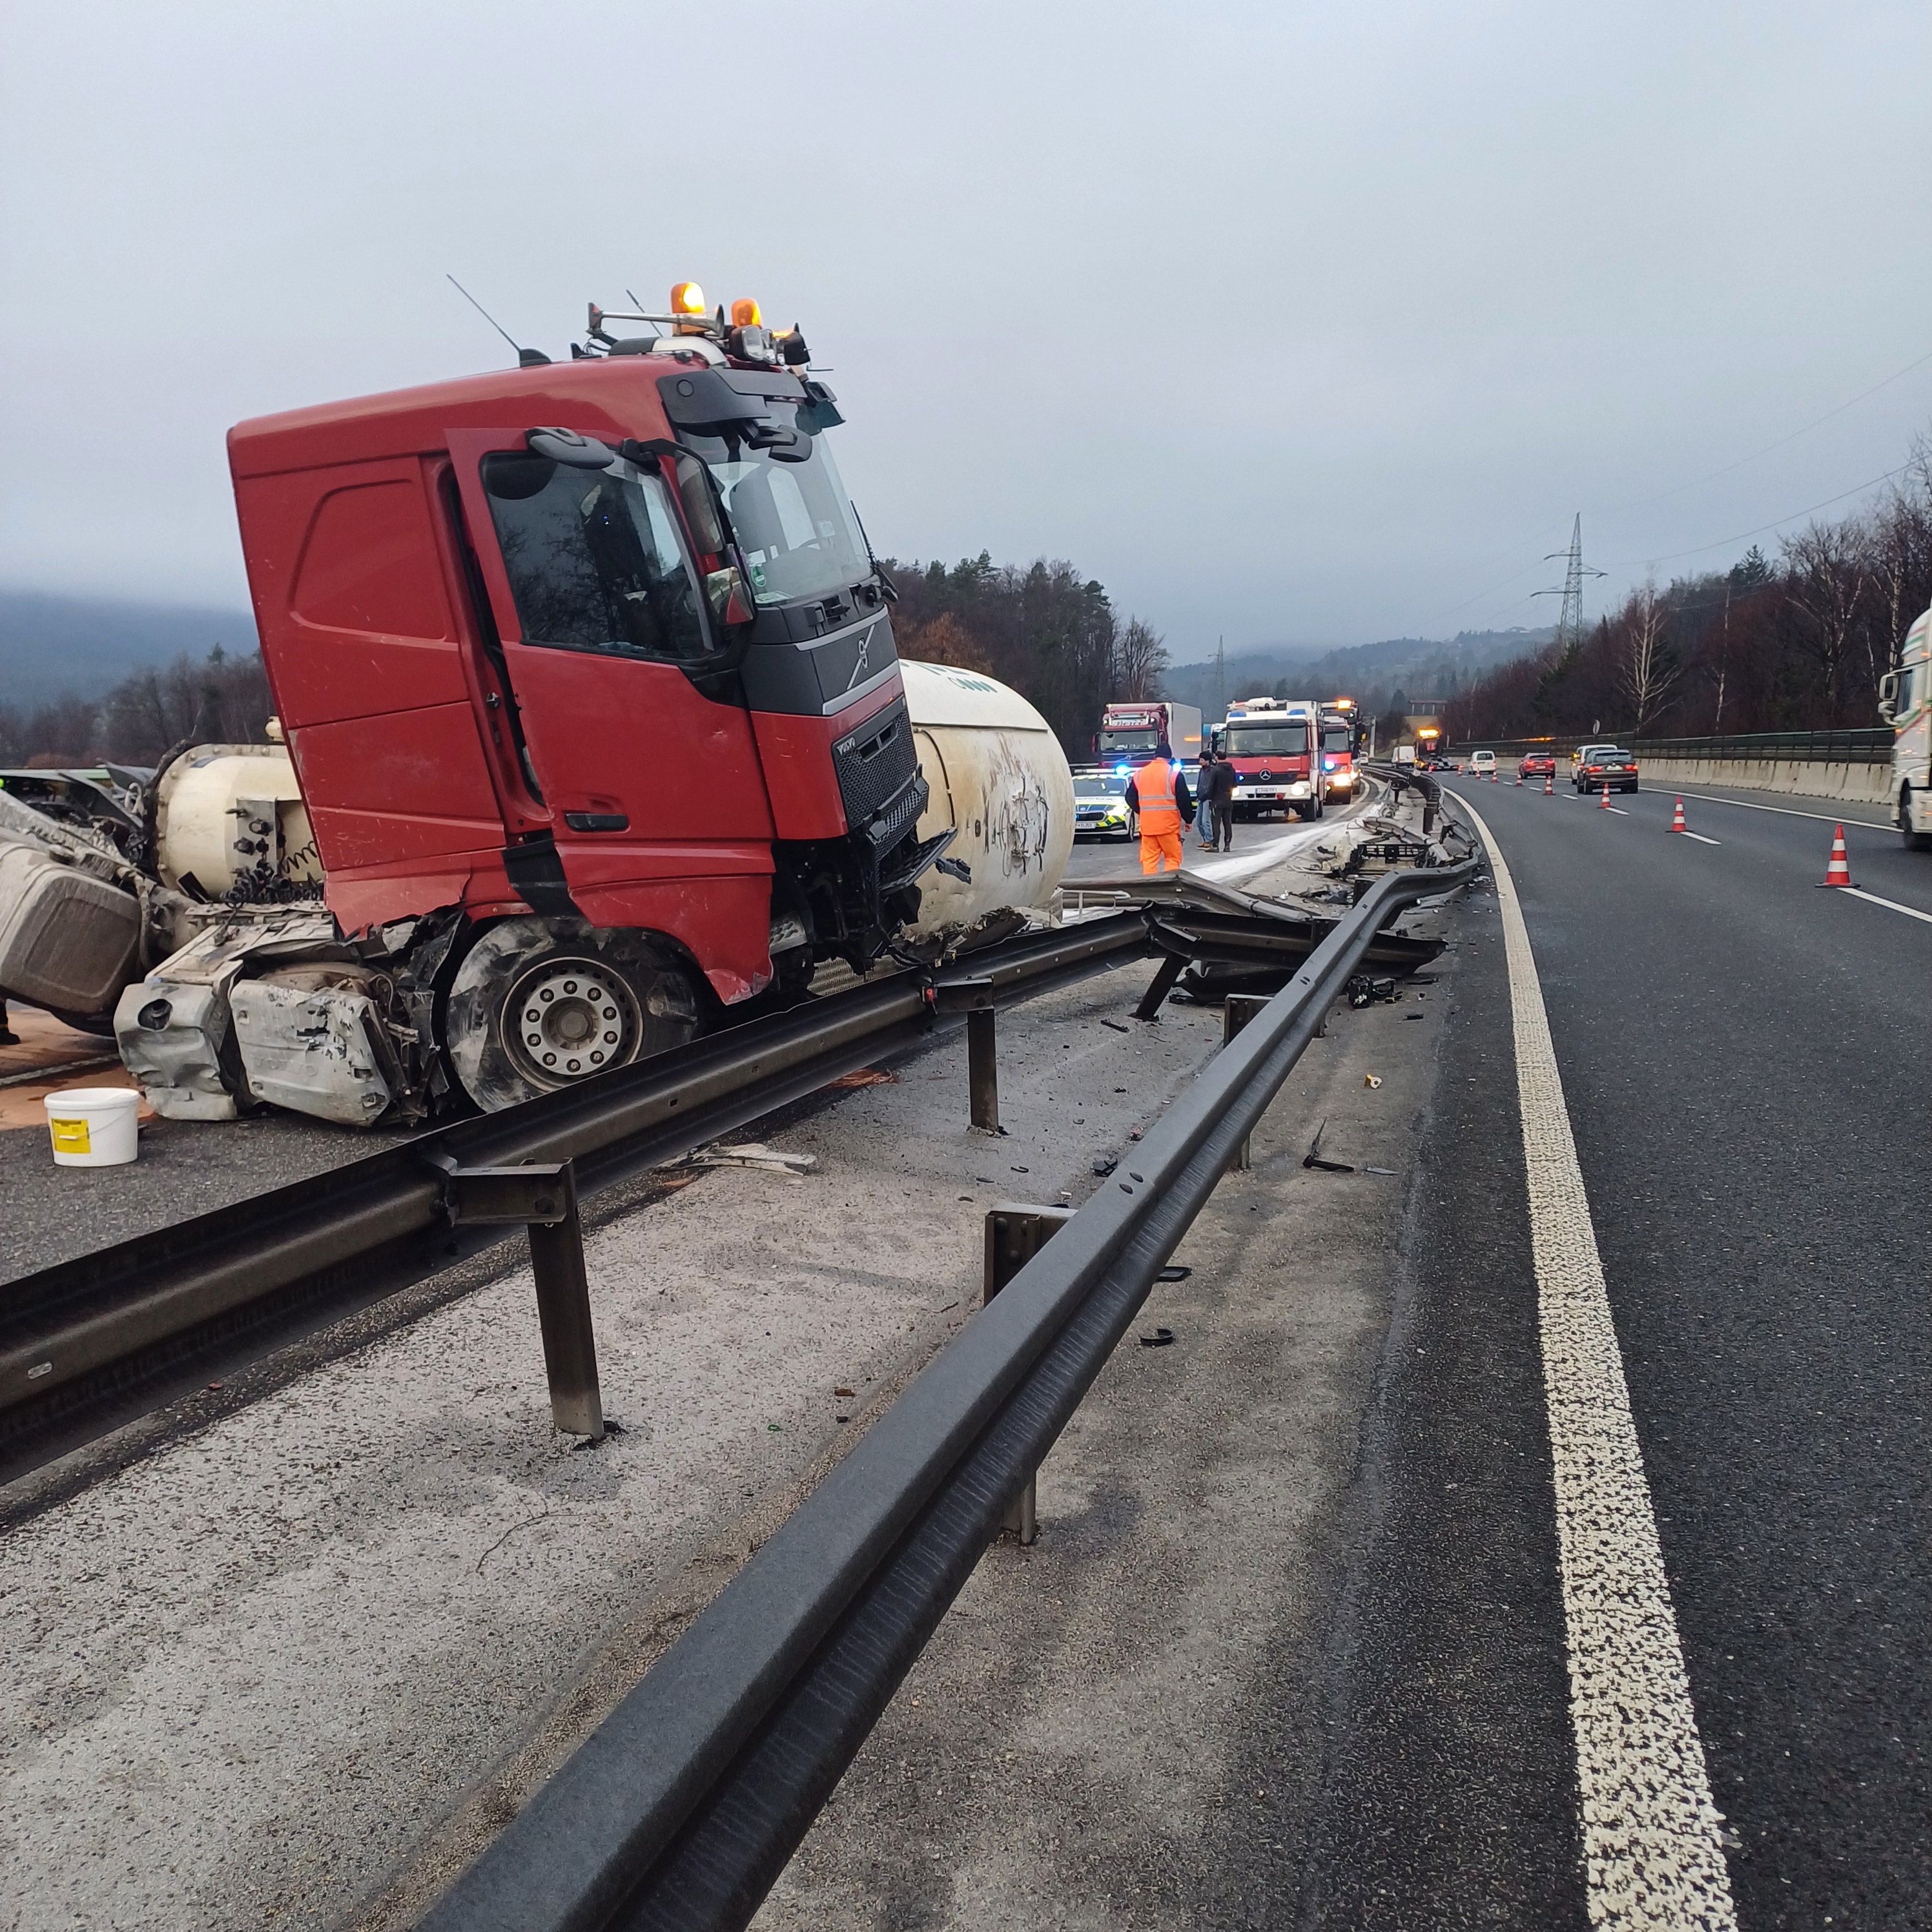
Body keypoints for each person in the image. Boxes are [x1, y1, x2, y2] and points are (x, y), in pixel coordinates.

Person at [1125, 737, 1193, 875]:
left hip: (1148, 828)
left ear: (1155, 756)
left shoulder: (1140, 774)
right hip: (1169, 827)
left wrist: (1143, 811)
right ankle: (1170, 886)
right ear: (1169, 757)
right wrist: (1188, 820)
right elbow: (1184, 800)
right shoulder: (1174, 774)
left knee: (1149, 862)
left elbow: (1130, 798)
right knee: (1172, 859)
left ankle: (1150, 886)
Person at [1208, 751, 1237, 852]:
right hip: (1228, 798)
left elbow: (1211, 785)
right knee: (1227, 822)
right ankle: (1227, 845)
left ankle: (1215, 845)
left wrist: (1210, 797)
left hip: (1217, 799)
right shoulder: (1232, 770)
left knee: (1216, 823)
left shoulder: (1215, 770)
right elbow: (1235, 784)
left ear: (1216, 758)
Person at [1196, 750, 1218, 849]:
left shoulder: (1212, 771)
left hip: (1208, 798)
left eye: (1202, 760)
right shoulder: (1202, 771)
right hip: (1201, 797)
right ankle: (1205, 839)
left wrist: (1208, 795)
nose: (1200, 762)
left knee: (1205, 821)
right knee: (1199, 821)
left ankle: (1208, 840)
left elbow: (1211, 785)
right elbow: (1200, 783)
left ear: (1207, 760)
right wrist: (1198, 793)